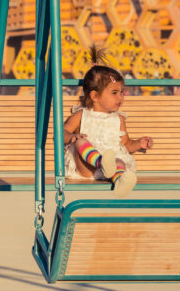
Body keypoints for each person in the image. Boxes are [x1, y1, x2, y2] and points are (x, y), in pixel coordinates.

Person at [61, 53, 151, 197]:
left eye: (122, 92)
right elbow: (61, 133)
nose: (120, 98)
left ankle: (120, 181)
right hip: (87, 168)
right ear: (95, 96)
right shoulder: (81, 115)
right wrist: (72, 137)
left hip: (110, 169)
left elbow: (125, 144)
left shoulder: (119, 119)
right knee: (81, 141)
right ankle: (100, 162)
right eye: (114, 93)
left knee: (119, 161)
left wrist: (138, 144)